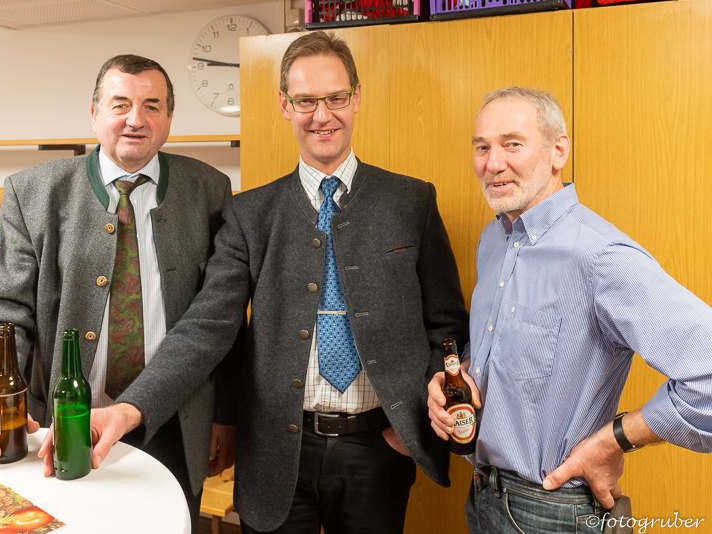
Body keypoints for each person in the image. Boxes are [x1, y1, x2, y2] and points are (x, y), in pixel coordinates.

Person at [85, 32, 470, 533]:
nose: (322, 115)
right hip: (276, 455)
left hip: (380, 450)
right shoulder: (249, 213)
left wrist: (411, 425)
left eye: (335, 98)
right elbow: (208, 328)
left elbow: (445, 326)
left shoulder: (410, 202)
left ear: (356, 98)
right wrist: (130, 410)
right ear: (285, 106)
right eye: (306, 101)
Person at [0, 54, 240, 532]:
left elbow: (221, 321)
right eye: (120, 104)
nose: (135, 119)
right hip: (59, 426)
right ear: (94, 114)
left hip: (173, 420)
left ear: (169, 118)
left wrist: (226, 415)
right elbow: (0, 310)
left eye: (152, 106)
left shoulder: (210, 189)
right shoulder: (32, 192)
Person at [427, 86, 712, 533]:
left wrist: (615, 439)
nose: (493, 163)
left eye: (512, 144)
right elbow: (506, 353)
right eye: (482, 147)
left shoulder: (601, 256)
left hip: (553, 510)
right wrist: (457, 378)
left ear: (558, 151)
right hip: (482, 495)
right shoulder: (492, 240)